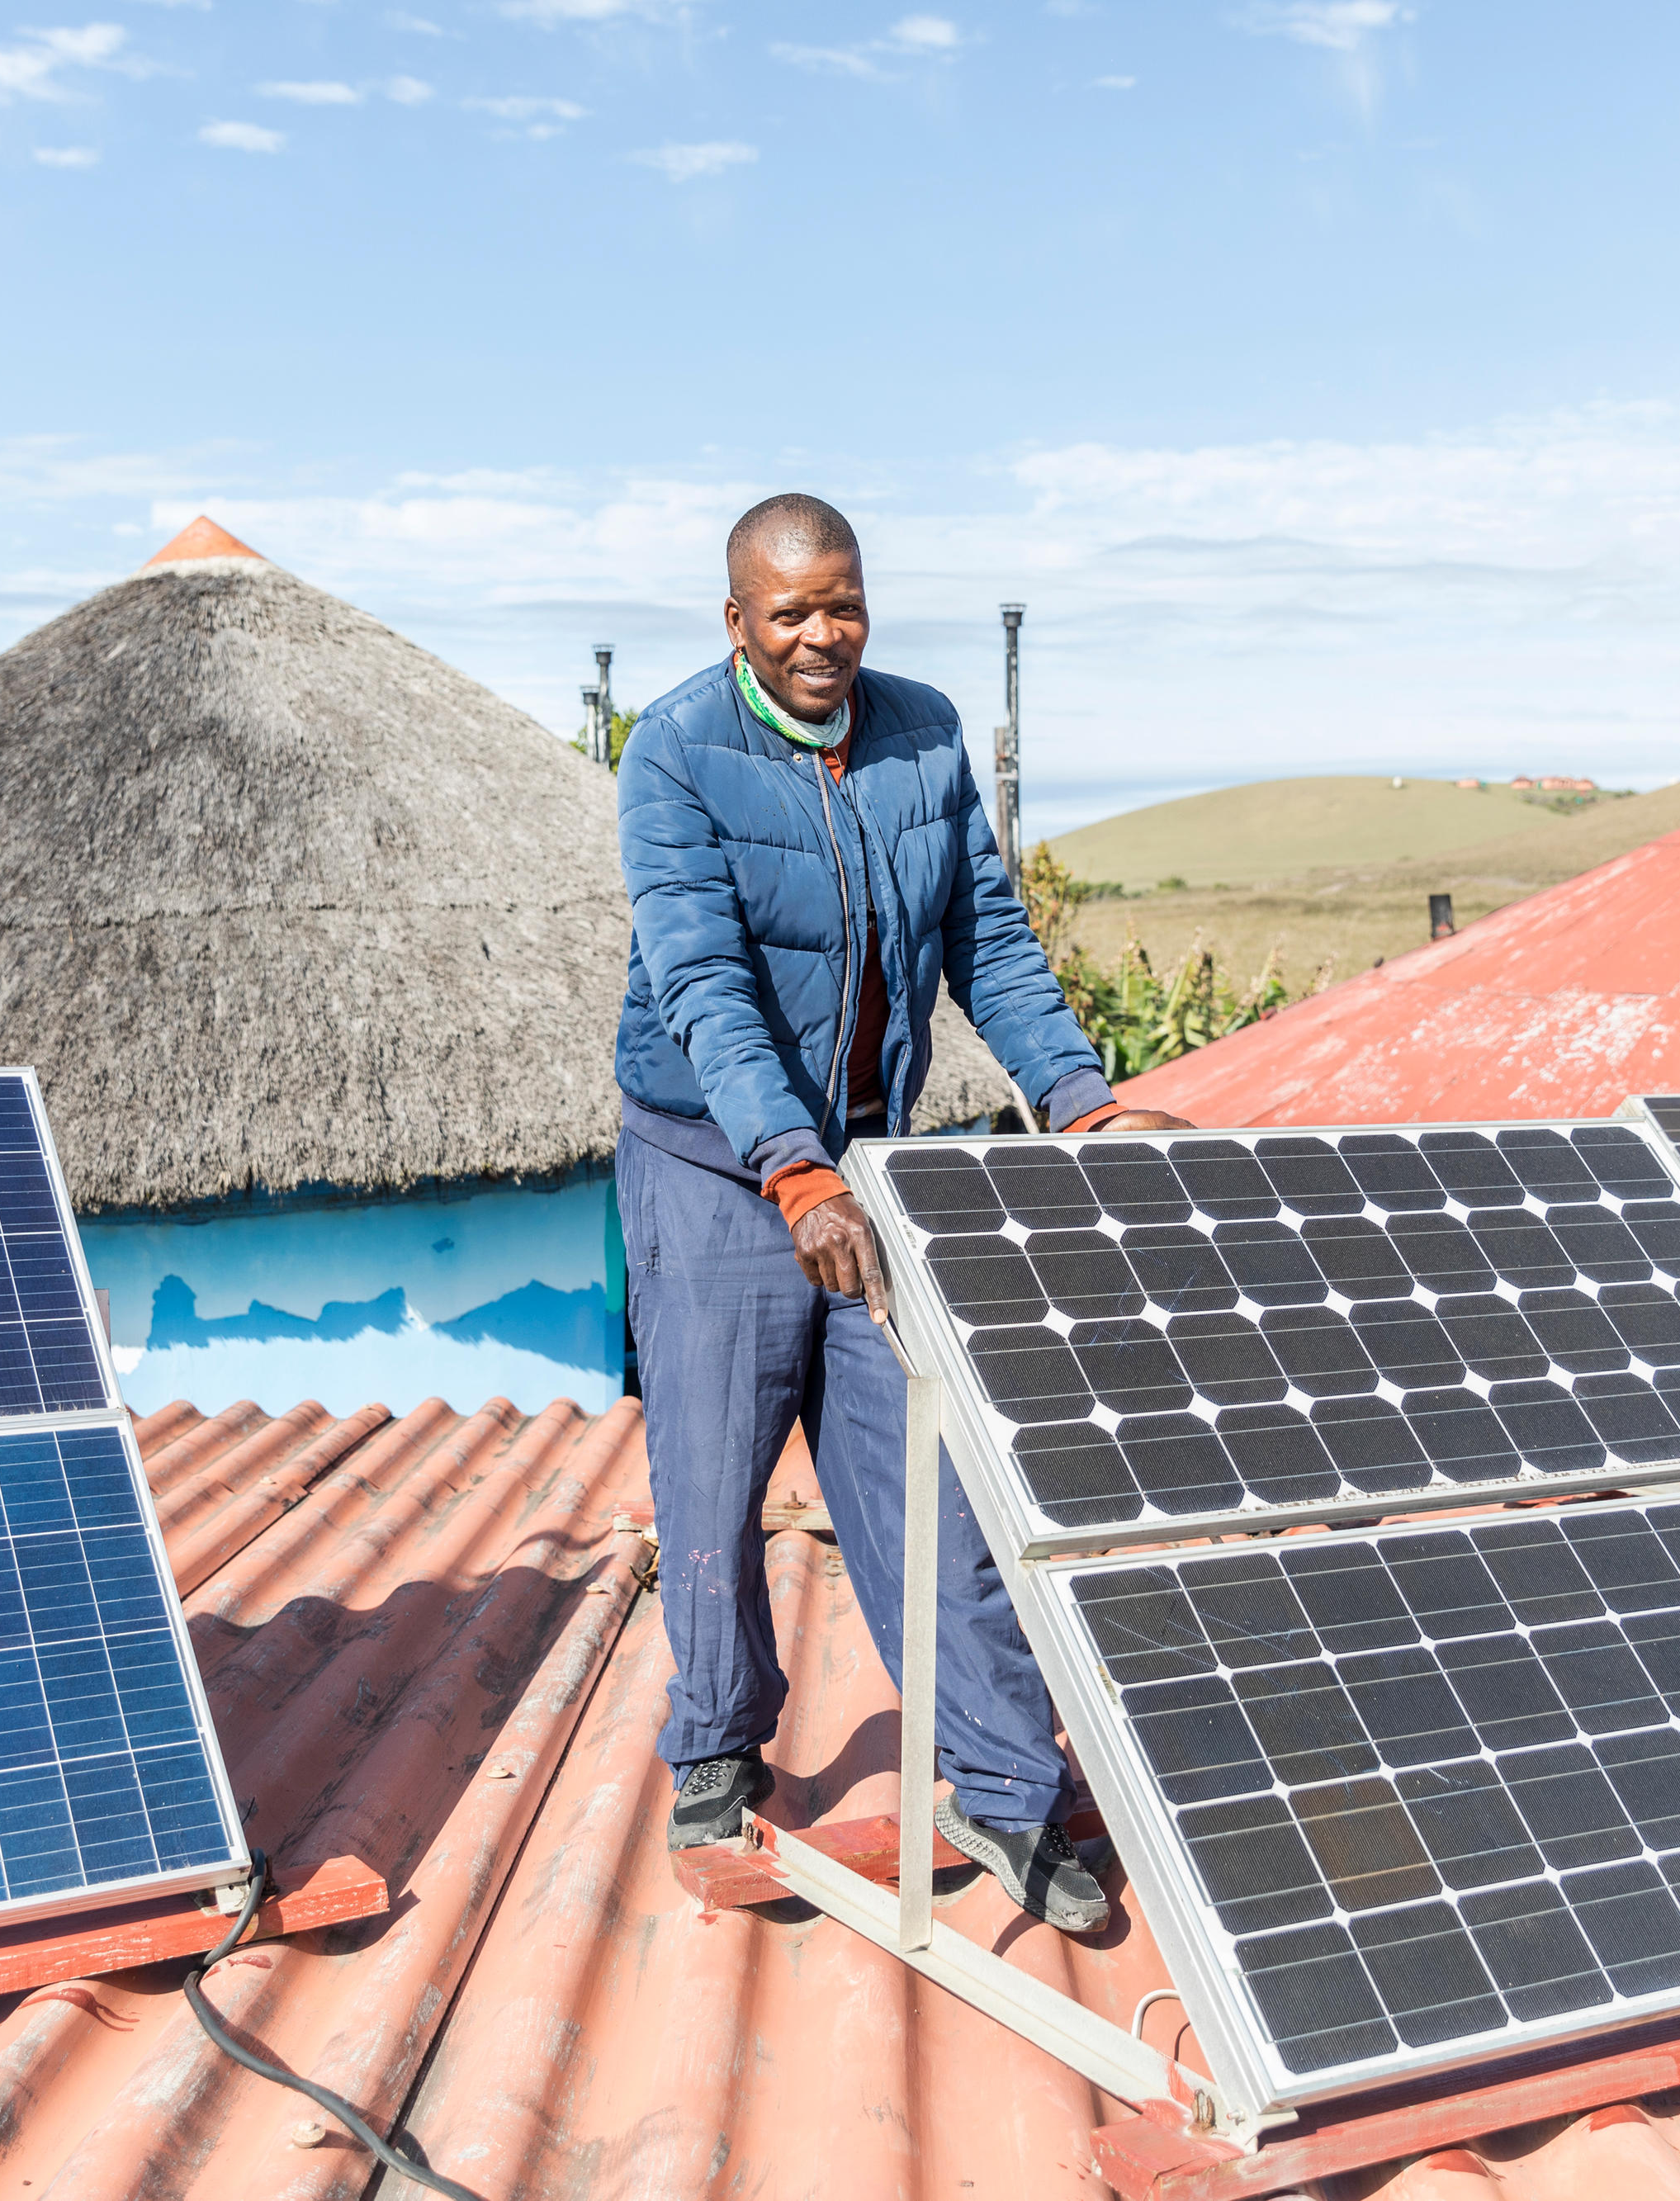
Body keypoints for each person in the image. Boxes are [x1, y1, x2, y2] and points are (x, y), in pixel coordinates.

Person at [612, 493, 1191, 1933]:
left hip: (873, 1168)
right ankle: (717, 1743)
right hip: (712, 1164)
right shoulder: (677, 750)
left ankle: (1002, 1785)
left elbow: (986, 938)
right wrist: (788, 1164)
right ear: (737, 619)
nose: (822, 635)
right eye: (790, 612)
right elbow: (703, 984)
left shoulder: (925, 732)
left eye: (844, 604)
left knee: (928, 1481)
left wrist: (1079, 1097)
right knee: (712, 1476)